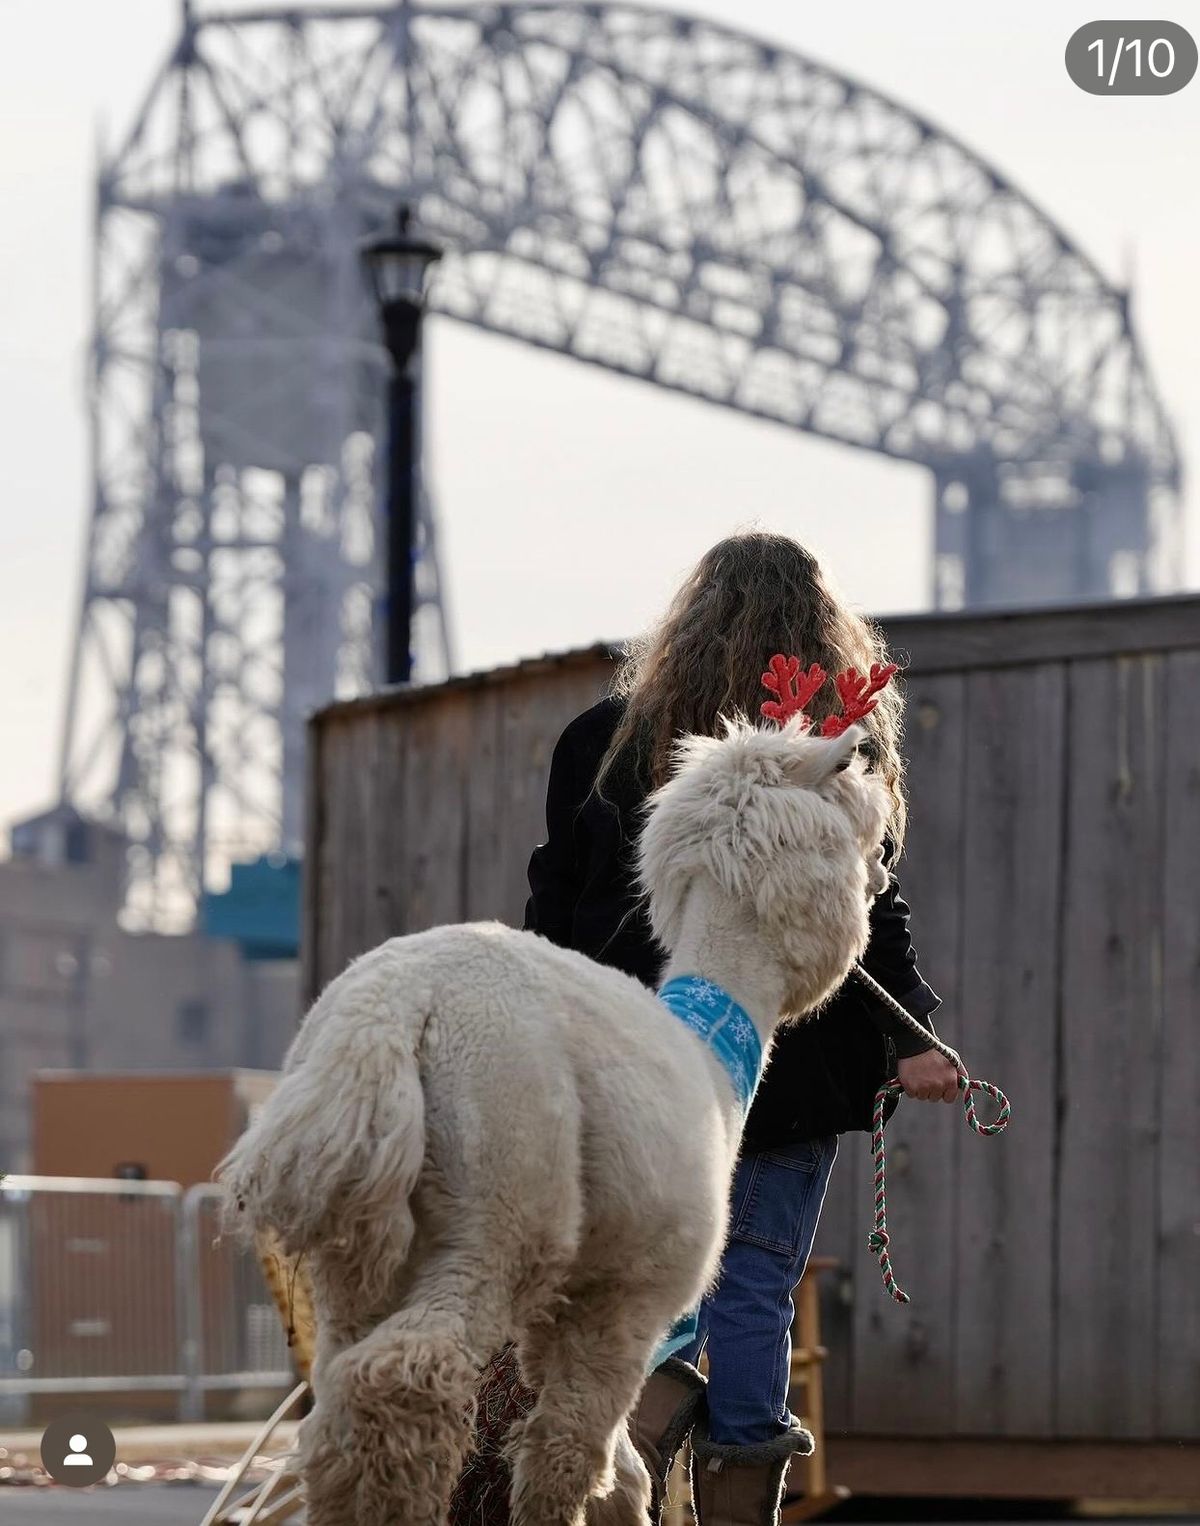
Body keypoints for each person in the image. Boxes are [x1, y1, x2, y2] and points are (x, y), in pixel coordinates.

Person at [522, 532, 960, 1525]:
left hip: (630, 1053)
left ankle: (647, 1425)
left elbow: (557, 896)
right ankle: (734, 1501)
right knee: (754, 1281)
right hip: (787, 1054)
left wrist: (542, 1020)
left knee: (627, 1277)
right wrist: (916, 1037)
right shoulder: (834, 752)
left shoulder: (605, 739)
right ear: (820, 626)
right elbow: (871, 912)